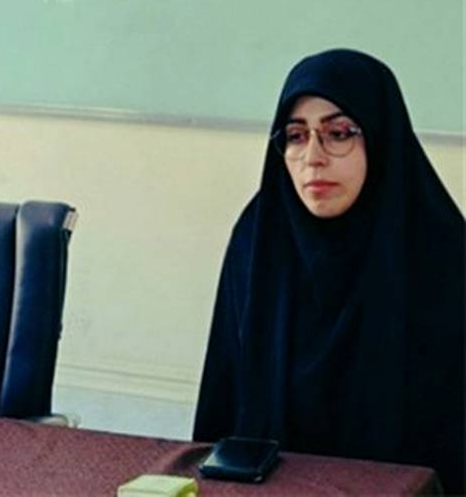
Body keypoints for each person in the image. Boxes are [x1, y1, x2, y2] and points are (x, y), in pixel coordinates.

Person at [193, 49, 464, 492]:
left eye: (338, 133)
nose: (313, 157)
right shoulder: (260, 237)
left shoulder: (440, 251)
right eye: (296, 136)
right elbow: (225, 396)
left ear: (380, 137)